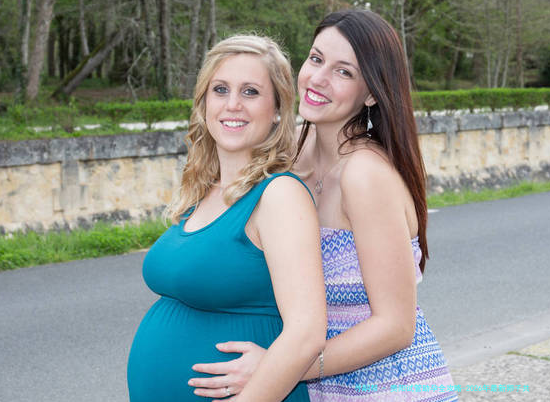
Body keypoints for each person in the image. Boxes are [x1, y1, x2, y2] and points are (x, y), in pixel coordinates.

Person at [189, 10, 459, 402]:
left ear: (371, 93)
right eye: (316, 59)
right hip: (323, 389)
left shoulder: (365, 175)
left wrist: (279, 367)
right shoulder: (292, 152)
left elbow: (395, 326)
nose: (318, 78)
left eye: (343, 72)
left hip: (390, 389)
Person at [126, 34, 327, 402]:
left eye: (250, 92)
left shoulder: (279, 195)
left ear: (278, 108)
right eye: (220, 90)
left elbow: (307, 333)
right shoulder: (203, 190)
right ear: (204, 103)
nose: (233, 104)